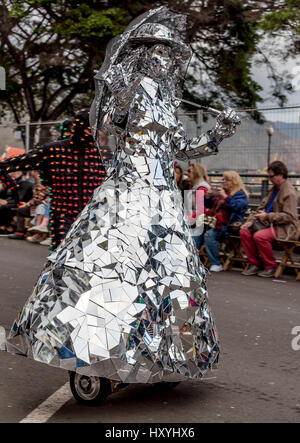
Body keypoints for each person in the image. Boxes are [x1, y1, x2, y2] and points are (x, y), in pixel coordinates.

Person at [2, 7, 241, 387]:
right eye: (159, 53)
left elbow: (182, 148)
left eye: (170, 55)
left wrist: (218, 134)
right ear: (145, 55)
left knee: (171, 277)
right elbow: (110, 118)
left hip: (163, 201)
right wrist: (115, 86)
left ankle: (167, 353)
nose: (165, 61)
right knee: (114, 271)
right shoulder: (128, 92)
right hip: (127, 194)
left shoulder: (167, 104)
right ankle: (92, 347)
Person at [0, 108, 106, 250]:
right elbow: (10, 165)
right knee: (62, 260)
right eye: (90, 129)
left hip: (93, 218)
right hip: (64, 217)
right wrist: (15, 189)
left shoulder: (102, 155)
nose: (95, 133)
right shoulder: (55, 150)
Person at [240, 161, 299, 277]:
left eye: (271, 176)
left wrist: (267, 216)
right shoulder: (273, 190)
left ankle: (270, 266)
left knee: (259, 236)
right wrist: (250, 221)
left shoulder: (289, 192)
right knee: (244, 231)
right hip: (268, 224)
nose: (269, 179)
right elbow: (260, 209)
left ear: (280, 175)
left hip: (285, 227)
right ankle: (255, 264)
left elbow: (289, 216)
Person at [204, 170, 249, 272]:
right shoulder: (222, 192)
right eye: (223, 179)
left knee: (209, 235)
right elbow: (208, 205)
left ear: (234, 182)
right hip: (218, 223)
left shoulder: (240, 194)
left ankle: (216, 263)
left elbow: (237, 207)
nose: (223, 182)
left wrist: (226, 197)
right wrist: (207, 197)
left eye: (227, 180)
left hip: (231, 226)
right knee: (200, 231)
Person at [8, 170, 49, 240]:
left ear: (36, 173)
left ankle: (21, 232)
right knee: (19, 210)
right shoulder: (39, 184)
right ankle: (22, 232)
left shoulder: (42, 184)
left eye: (34, 171)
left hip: (38, 207)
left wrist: (27, 204)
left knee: (20, 210)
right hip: (35, 206)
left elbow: (37, 200)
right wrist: (27, 204)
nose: (32, 173)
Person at [185, 162, 211, 250]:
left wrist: (187, 219)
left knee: (192, 249)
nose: (187, 173)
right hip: (195, 223)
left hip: (198, 225)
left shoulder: (201, 188)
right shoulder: (194, 187)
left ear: (197, 173)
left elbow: (201, 210)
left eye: (189, 171)